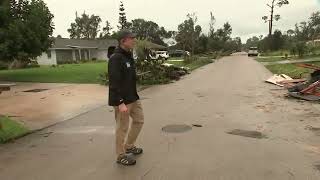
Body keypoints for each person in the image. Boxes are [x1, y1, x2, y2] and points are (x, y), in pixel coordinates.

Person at [108, 29, 144, 166]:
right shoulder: (115, 58)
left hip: (133, 97)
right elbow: (114, 82)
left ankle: (129, 146)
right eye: (131, 38)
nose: (134, 40)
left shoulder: (128, 56)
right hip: (122, 100)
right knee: (122, 128)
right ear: (123, 41)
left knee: (139, 121)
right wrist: (120, 102)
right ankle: (120, 155)